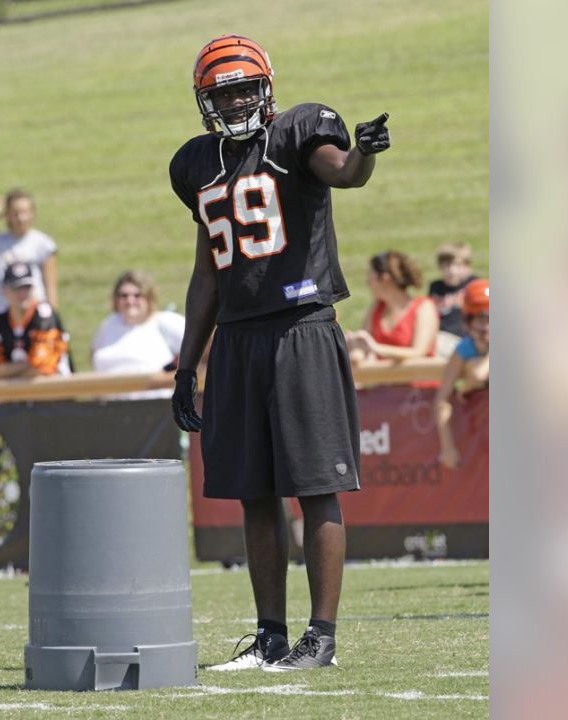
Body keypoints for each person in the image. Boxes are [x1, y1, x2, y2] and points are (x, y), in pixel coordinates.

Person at [168, 34, 391, 672]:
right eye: (223, 91)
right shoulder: (195, 164)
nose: (235, 99)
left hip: (300, 325)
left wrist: (365, 156)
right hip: (237, 336)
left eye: (243, 87)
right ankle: (269, 636)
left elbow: (343, 172)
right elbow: (208, 271)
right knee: (252, 491)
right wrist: (189, 364)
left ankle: (320, 637)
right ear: (204, 100)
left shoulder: (300, 132)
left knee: (315, 485)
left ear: (266, 88)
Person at [0, 262, 70, 382]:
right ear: (4, 290)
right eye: (16, 288)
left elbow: (43, 368)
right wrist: (27, 366)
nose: (22, 294)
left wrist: (5, 370)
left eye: (27, 287)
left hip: (54, 392)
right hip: (13, 395)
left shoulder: (45, 317)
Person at [91, 270, 186, 398]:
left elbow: (202, 350)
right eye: (124, 296)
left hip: (155, 408)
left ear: (148, 298)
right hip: (110, 408)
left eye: (137, 295)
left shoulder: (165, 322)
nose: (130, 301)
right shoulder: (107, 325)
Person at [345, 250, 440, 375]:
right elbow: (363, 348)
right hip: (385, 384)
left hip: (419, 386)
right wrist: (353, 348)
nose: (368, 283)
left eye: (370, 277)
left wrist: (376, 348)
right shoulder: (376, 307)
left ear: (385, 278)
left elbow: (419, 352)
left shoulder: (423, 307)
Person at [0, 188, 58, 308]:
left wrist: (53, 317)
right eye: (15, 213)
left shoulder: (43, 243)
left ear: (32, 212)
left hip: (35, 313)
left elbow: (50, 286)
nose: (21, 218)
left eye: (25, 212)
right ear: (7, 215)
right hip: (5, 313)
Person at [436, 278, 489, 470]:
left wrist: (465, 387)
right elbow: (442, 398)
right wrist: (447, 446)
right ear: (469, 322)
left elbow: (478, 375)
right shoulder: (464, 349)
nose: (487, 327)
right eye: (481, 319)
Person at [428, 242, 479, 358]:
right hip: (439, 336)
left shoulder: (473, 285)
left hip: (463, 340)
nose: (452, 270)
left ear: (468, 267)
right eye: (447, 265)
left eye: (458, 265)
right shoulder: (436, 287)